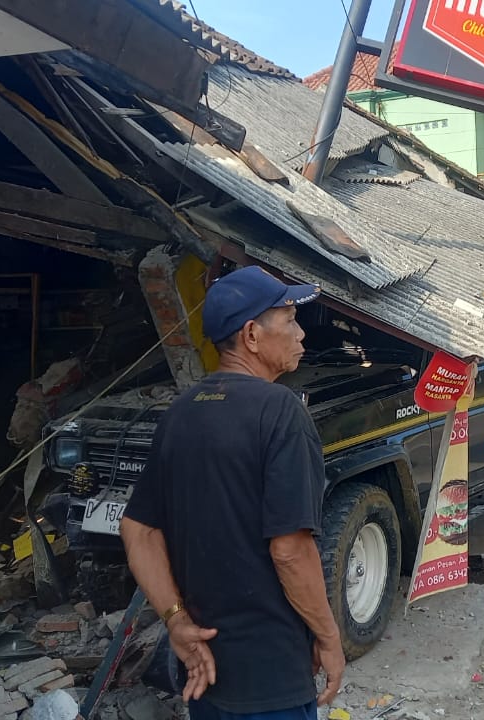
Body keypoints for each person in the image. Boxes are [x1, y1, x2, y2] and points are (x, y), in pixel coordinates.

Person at [120, 266, 342, 720]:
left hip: (205, 670)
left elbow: (137, 529)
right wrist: (330, 638)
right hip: (270, 677)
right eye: (290, 319)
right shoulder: (281, 412)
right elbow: (289, 549)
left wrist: (177, 620)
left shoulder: (179, 413)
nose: (302, 333)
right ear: (251, 335)